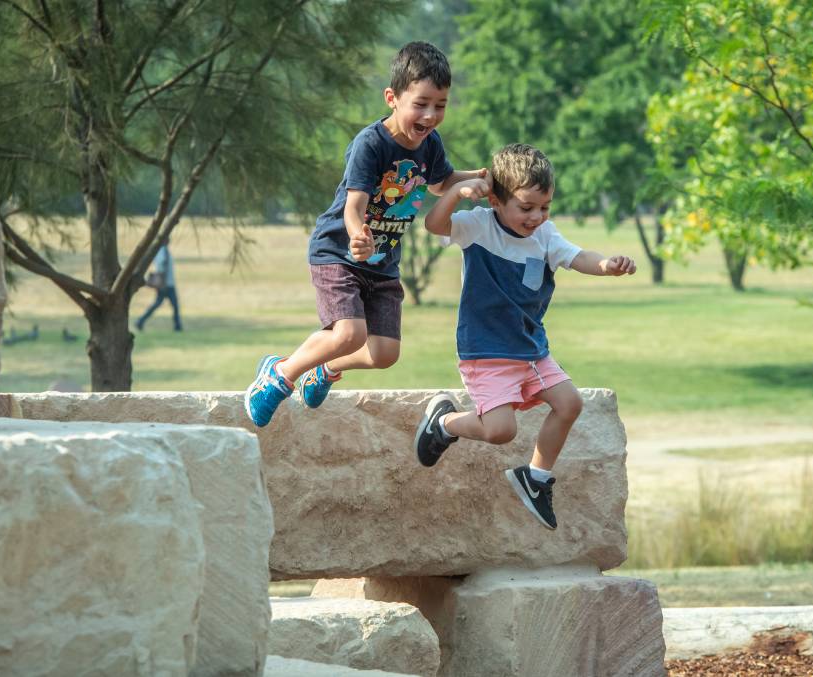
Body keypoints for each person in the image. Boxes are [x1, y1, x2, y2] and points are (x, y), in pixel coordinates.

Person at [243, 41, 488, 427]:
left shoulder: (430, 145)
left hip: (383, 264)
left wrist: (482, 177)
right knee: (350, 332)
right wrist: (358, 235)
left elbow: (440, 183)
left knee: (384, 353)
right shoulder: (371, 144)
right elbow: (353, 205)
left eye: (440, 105)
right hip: (339, 253)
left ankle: (323, 370)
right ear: (392, 98)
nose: (430, 115)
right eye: (421, 103)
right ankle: (279, 375)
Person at [413, 143, 636, 530]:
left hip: (531, 349)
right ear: (497, 200)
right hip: (486, 351)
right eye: (526, 207)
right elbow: (435, 225)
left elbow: (578, 256)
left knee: (569, 403)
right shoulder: (479, 225)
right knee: (500, 431)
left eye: (544, 207)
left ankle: (535, 478)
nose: (536, 217)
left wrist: (606, 265)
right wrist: (454, 193)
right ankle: (444, 424)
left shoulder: (545, 235)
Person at [136, 245, 182, 332]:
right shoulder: (162, 251)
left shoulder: (163, 250)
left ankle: (140, 321)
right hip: (166, 284)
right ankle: (177, 326)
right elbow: (162, 265)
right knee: (171, 305)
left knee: (159, 304)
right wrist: (162, 283)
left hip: (168, 283)